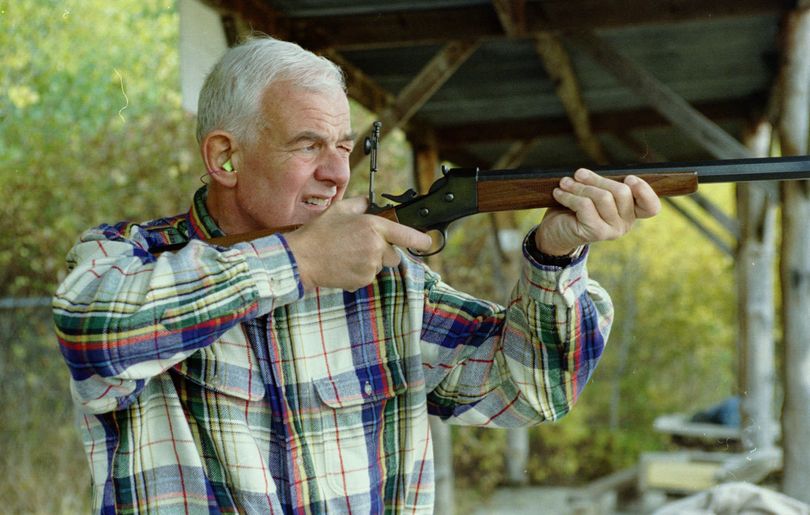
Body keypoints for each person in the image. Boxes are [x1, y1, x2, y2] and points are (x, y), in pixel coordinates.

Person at [53, 35, 660, 513]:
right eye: (308, 144)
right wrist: (299, 262)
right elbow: (96, 334)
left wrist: (554, 257)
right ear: (225, 156)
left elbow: (529, 392)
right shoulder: (126, 258)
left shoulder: (386, 278)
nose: (336, 174)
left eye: (343, 146)